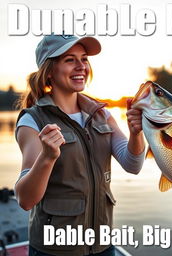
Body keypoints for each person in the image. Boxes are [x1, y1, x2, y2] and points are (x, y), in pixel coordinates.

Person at [14, 34, 145, 256]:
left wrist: (136, 133)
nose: (81, 66)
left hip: (103, 246)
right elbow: (26, 199)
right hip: (54, 251)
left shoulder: (101, 113)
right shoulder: (32, 121)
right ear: (49, 71)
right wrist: (47, 157)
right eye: (69, 60)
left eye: (84, 59)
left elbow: (132, 164)